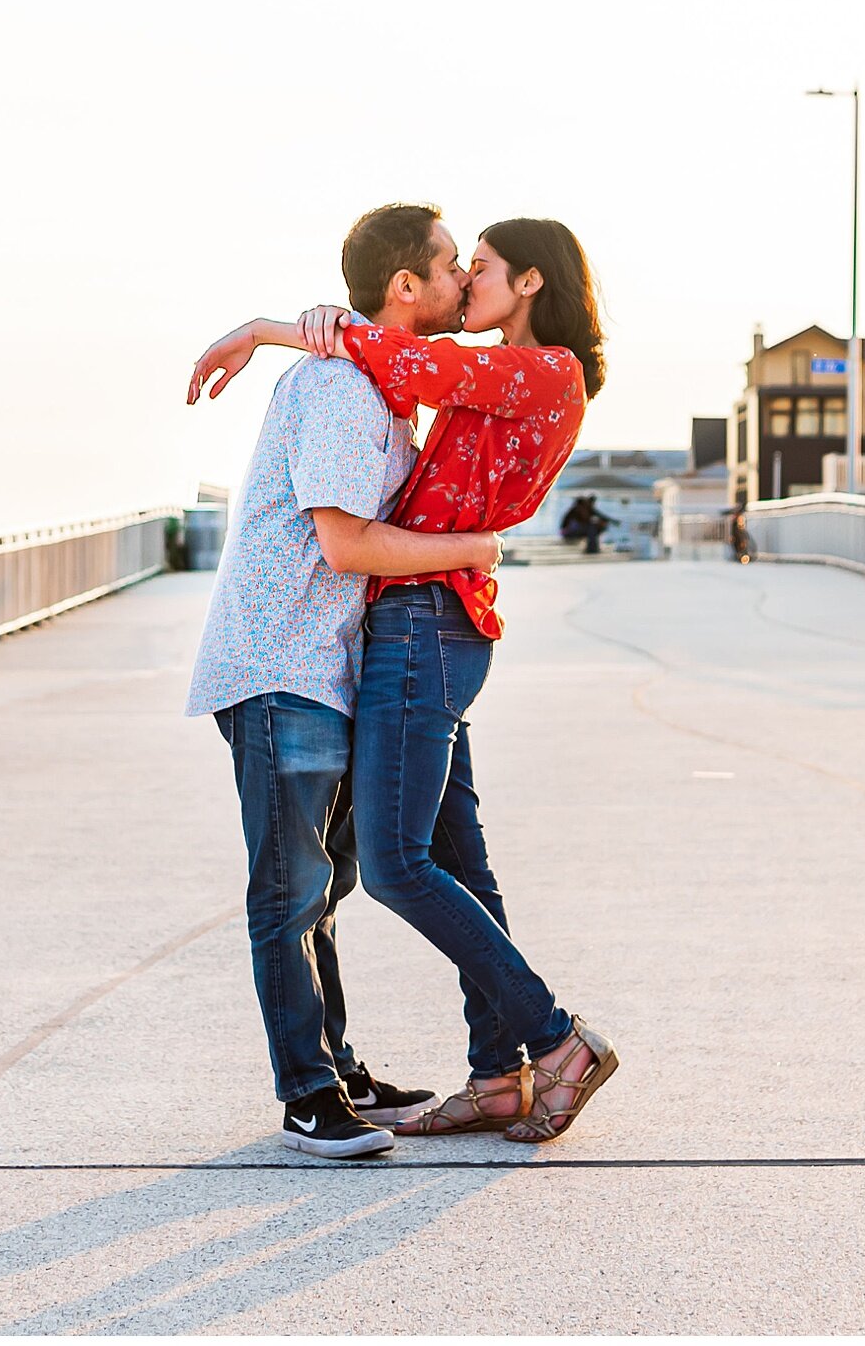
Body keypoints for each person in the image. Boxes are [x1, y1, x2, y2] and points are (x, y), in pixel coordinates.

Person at [189, 217, 619, 1147]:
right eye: (455, 267)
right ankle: (493, 1072)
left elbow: (415, 370)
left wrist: (269, 328)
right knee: (426, 862)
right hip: (368, 639)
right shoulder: (376, 388)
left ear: (532, 283)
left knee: (384, 866)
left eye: (484, 267)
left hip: (419, 627)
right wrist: (286, 329)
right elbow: (381, 406)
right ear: (409, 287)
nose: (468, 278)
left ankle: (548, 1041)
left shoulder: (530, 372)